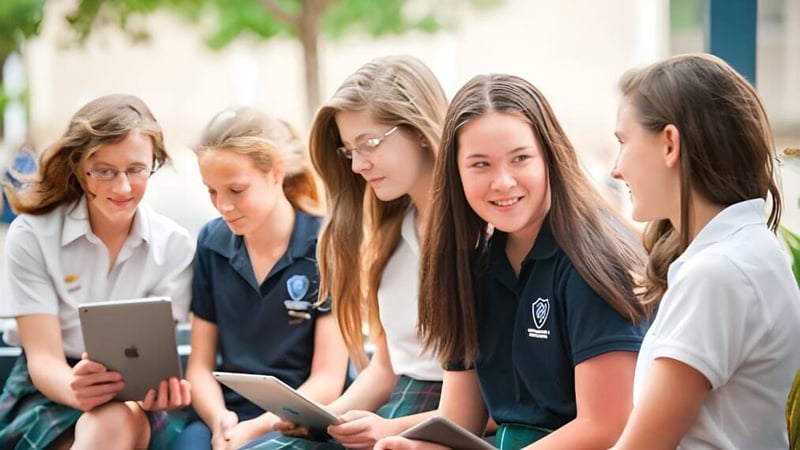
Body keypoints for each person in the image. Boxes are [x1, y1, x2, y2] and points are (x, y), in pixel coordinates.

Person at [376, 73, 649, 450]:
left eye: (520, 158)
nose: (503, 182)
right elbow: (461, 419)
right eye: (480, 165)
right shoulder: (472, 267)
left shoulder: (596, 261)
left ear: (550, 157)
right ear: (455, 172)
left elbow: (605, 426)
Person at [248, 55, 449, 450]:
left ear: (421, 130)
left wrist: (388, 429)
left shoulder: (477, 237)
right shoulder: (393, 232)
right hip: (395, 409)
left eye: (369, 143)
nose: (357, 164)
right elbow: (388, 368)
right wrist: (325, 419)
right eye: (348, 151)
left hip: (443, 425)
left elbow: (490, 402)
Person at [608, 53, 800, 449]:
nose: (616, 168)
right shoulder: (749, 249)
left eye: (624, 142)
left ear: (669, 144)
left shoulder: (718, 272)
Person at [0, 94, 194, 449]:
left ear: (154, 163)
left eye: (136, 170)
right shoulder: (33, 235)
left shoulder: (174, 246)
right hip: (53, 384)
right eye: (105, 171)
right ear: (78, 167)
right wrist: (77, 389)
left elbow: (152, 358)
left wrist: (157, 391)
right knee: (109, 422)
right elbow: (42, 357)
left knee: (115, 418)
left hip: (136, 397)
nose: (122, 187)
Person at [173, 107, 349, 450]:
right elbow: (200, 367)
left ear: (276, 173)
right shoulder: (211, 243)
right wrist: (218, 420)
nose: (222, 206)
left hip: (301, 420)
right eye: (211, 191)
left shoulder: (328, 245)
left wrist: (256, 428)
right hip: (230, 414)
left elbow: (328, 380)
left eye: (236, 190)